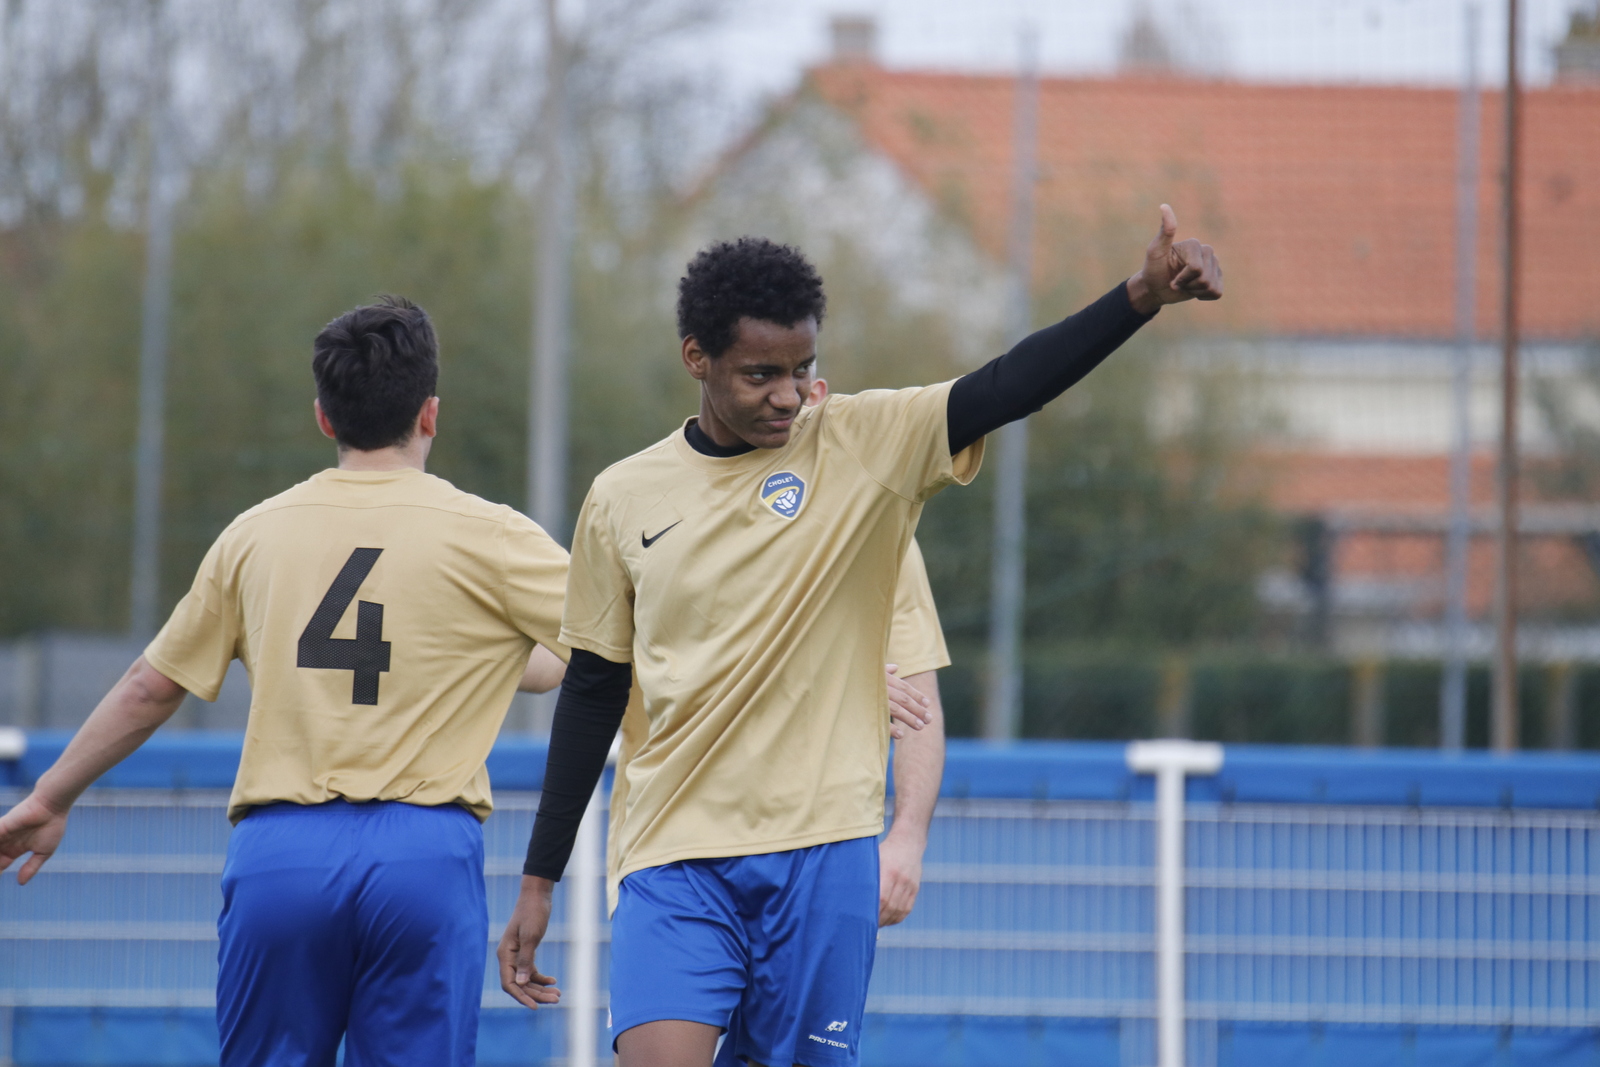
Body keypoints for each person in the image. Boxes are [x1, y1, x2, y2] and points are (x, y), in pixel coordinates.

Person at [499, 205, 1220, 1067]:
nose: (789, 394)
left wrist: (1139, 296)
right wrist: (540, 878)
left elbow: (1007, 385)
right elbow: (591, 689)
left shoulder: (863, 444)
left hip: (823, 855)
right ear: (697, 358)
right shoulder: (622, 496)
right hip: (674, 855)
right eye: (761, 373)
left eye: (803, 368)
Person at [0, 296, 572, 1067]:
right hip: (423, 854)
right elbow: (608, 647)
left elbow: (149, 687)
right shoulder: (492, 535)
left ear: (324, 417)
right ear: (431, 413)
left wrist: (49, 796)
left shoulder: (255, 534)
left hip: (283, 853)